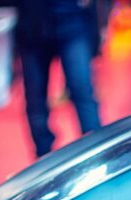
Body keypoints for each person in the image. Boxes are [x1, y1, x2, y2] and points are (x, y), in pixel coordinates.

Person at [16, 0, 102, 158]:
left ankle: (97, 152)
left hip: (72, 20)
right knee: (36, 100)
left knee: (82, 91)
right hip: (33, 24)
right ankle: (43, 157)